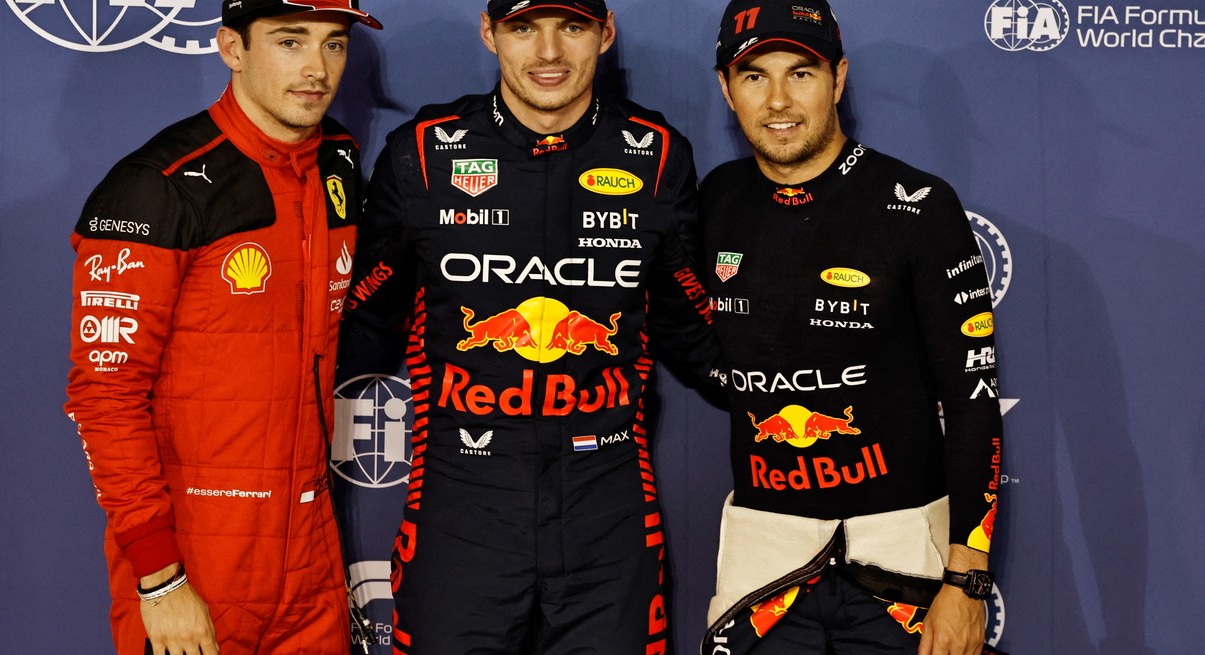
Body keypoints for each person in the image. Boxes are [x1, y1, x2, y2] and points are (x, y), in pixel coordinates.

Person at [339, 1, 722, 652]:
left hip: (608, 508)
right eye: (523, 28)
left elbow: (692, 325)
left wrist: (798, 384)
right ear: (490, 34)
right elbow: (360, 319)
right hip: (461, 506)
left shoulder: (657, 156)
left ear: (605, 34)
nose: (548, 52)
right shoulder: (423, 154)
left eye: (571, 27)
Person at [64, 1, 381, 653]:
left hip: (312, 556)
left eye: (334, 44)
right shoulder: (155, 186)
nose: (317, 68)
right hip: (196, 563)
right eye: (290, 41)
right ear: (232, 49)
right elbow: (105, 396)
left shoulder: (339, 159)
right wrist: (160, 578)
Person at [698, 1, 1003, 654]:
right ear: (726, 87)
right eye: (754, 76)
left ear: (837, 79)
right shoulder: (714, 201)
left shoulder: (919, 206)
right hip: (765, 570)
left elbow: (973, 403)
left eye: (801, 72)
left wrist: (967, 581)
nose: (778, 101)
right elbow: (678, 329)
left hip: (904, 570)